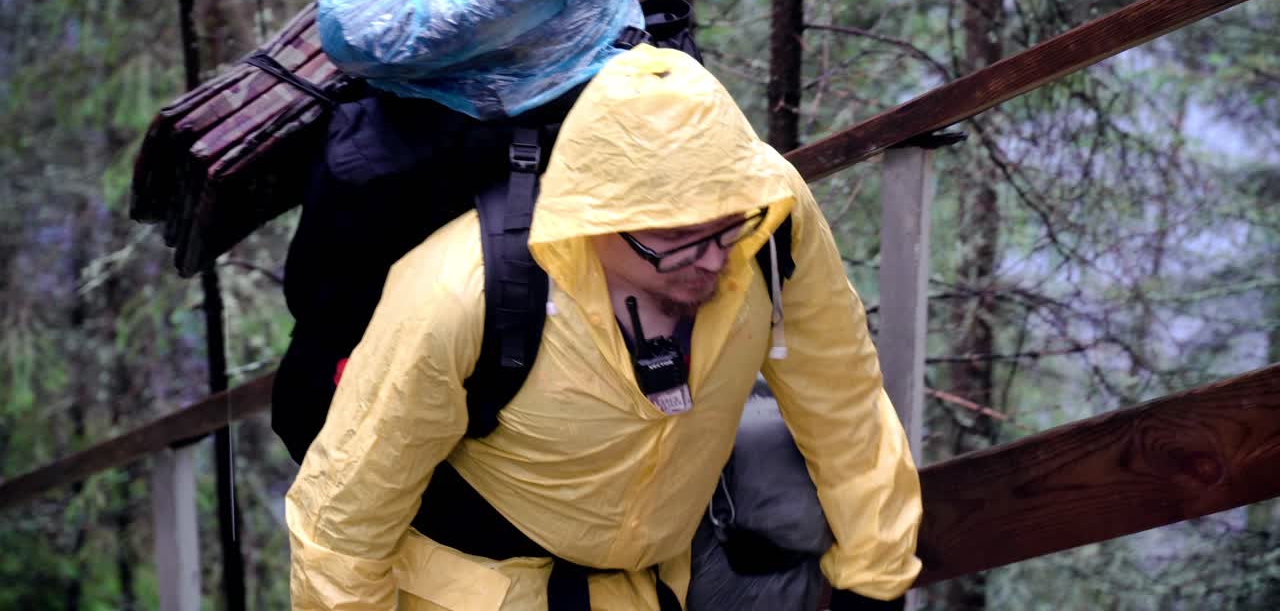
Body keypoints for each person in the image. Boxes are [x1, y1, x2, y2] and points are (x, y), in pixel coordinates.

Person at [285, 44, 922, 610]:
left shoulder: (768, 217)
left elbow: (843, 400)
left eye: (727, 226)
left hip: (647, 586)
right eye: (674, 237)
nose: (713, 258)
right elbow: (341, 524)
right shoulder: (460, 290)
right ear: (591, 217)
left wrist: (876, 578)